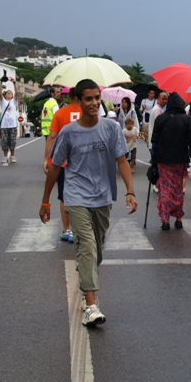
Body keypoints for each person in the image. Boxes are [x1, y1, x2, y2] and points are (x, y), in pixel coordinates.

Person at [40, 79, 137, 327]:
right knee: (87, 246)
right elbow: (54, 167)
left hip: (103, 197)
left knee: (97, 250)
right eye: (88, 99)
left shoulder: (111, 128)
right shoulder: (69, 132)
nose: (94, 103)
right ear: (78, 101)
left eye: (97, 98)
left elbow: (122, 160)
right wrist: (46, 201)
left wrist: (130, 191)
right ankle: (91, 306)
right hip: (75, 195)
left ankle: (85, 276)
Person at [151, 92, 191, 230]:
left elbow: (154, 142)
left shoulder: (161, 119)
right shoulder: (186, 119)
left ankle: (165, 220)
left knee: (165, 189)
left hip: (163, 160)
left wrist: (154, 159)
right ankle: (178, 219)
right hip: (180, 160)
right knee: (178, 189)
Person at [44, 87, 83, 243]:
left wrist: (47, 159)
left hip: (63, 161)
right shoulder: (88, 113)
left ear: (70, 96)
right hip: (83, 161)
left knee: (64, 196)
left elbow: (52, 137)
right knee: (83, 194)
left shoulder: (60, 113)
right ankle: (81, 229)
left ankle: (66, 229)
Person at [0, 77, 19, 165]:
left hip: (13, 125)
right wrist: (1, 82)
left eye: (10, 93)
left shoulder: (14, 102)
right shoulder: (3, 102)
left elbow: (17, 92)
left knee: (12, 141)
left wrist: (14, 83)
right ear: (5, 95)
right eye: (7, 93)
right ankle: (5, 157)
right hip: (4, 125)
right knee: (5, 141)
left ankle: (13, 156)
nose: (9, 94)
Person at [147, 91, 168, 164]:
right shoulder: (158, 110)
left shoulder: (159, 108)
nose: (165, 101)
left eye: (166, 99)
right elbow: (159, 125)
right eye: (163, 99)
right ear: (158, 99)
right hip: (157, 140)